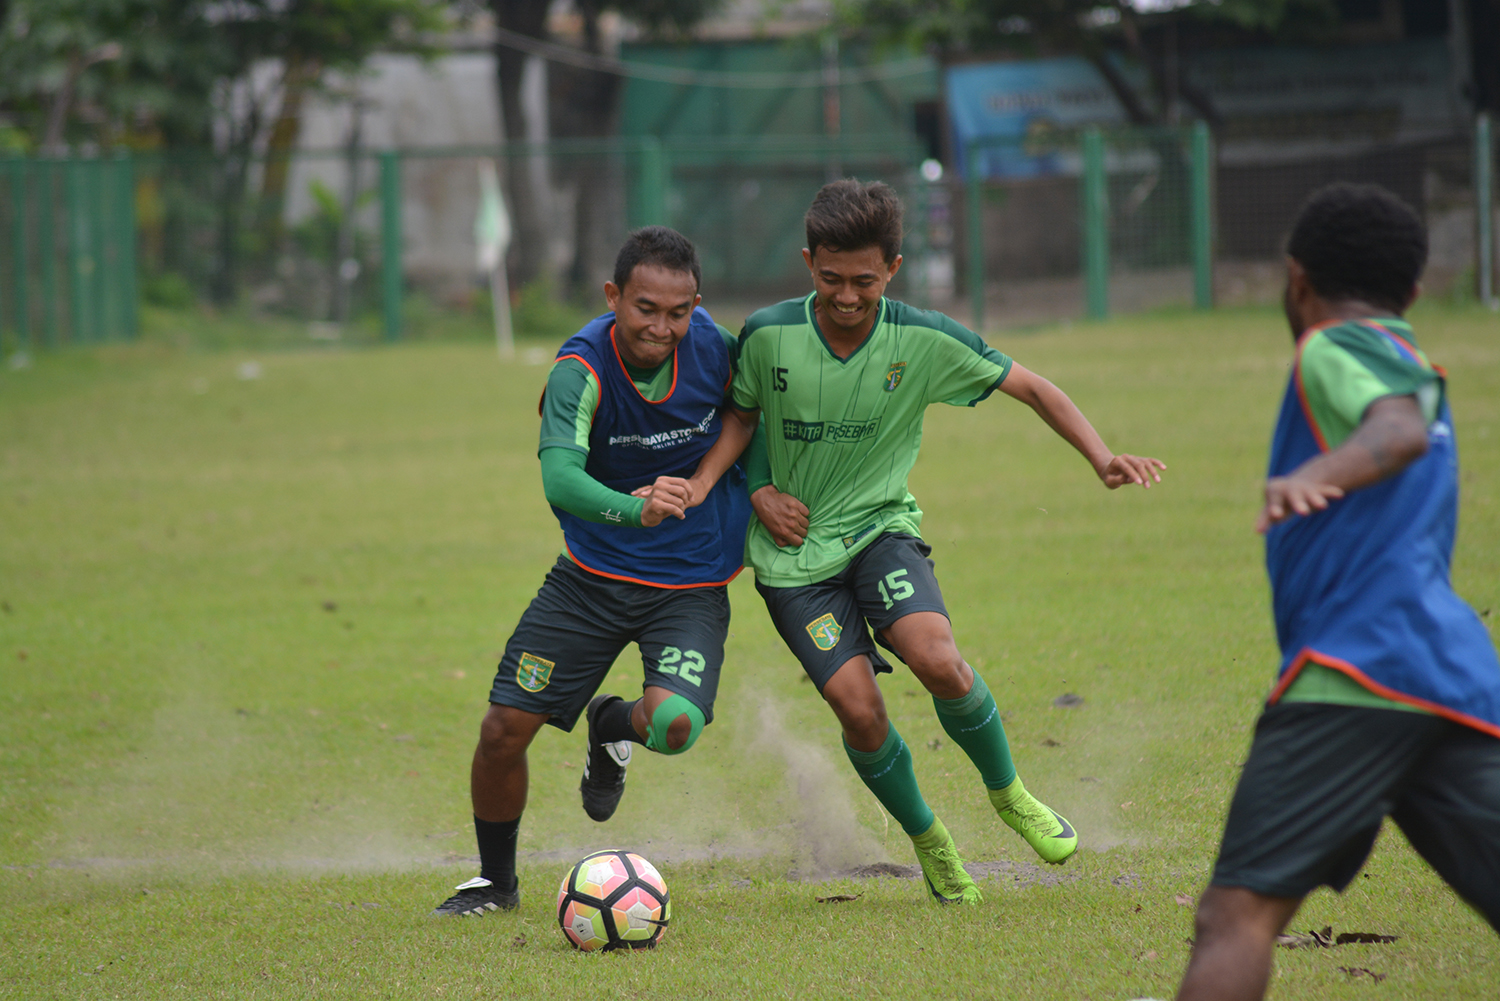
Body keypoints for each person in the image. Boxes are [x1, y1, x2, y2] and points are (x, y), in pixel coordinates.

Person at [686, 179, 1165, 904]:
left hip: (881, 529)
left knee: (939, 659)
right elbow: (743, 417)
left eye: (866, 281)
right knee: (858, 708)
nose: (848, 296)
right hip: (792, 561)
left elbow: (1034, 387)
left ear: (894, 269)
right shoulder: (768, 333)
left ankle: (1011, 796)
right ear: (808, 261)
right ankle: (930, 841)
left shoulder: (922, 339)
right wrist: (757, 491)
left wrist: (1102, 457)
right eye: (831, 278)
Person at [1175, 183, 1500, 1000]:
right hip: (1452, 680)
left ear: (1297, 280)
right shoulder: (1413, 356)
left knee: (1235, 915)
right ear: (1416, 291)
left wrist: (1317, 471)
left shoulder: (1332, 346)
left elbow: (1393, 432)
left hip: (1357, 674)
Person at [433, 227, 752, 917]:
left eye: (677, 312)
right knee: (501, 730)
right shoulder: (580, 368)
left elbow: (752, 418)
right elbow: (559, 480)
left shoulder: (719, 352)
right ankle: (495, 880)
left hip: (691, 583)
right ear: (614, 297)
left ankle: (611, 725)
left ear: (695, 304)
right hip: (590, 579)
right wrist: (632, 512)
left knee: (674, 726)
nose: (661, 327)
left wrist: (735, 488)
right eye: (644, 308)